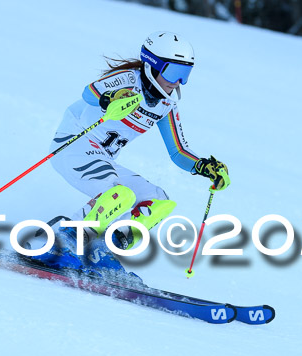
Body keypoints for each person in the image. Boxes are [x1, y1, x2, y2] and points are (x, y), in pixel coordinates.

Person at [27, 31, 230, 272]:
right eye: (173, 73)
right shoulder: (128, 80)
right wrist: (111, 97)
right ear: (153, 66)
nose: (177, 82)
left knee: (159, 201)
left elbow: (178, 151)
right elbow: (89, 93)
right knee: (119, 194)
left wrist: (203, 166)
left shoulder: (166, 105)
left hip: (102, 159)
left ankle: (102, 248)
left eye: (184, 75)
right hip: (73, 145)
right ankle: (63, 240)